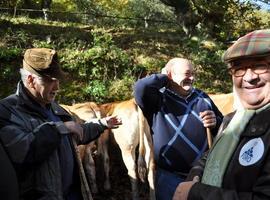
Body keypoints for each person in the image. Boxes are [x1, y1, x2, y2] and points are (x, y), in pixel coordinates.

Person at [0, 48, 122, 200]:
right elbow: (24, 152)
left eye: (57, 81)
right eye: (51, 80)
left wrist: (101, 124)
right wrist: (60, 129)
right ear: (31, 80)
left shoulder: (54, 108)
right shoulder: (7, 111)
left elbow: (76, 133)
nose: (57, 87)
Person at [172, 29, 270, 200]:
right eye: (239, 68)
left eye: (260, 65)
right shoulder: (232, 119)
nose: (249, 77)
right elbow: (210, 156)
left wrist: (196, 193)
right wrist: (196, 175)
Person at [134, 57, 223, 200]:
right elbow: (140, 87)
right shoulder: (157, 99)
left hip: (202, 175)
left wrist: (215, 122)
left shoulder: (202, 97)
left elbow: (224, 127)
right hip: (169, 178)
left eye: (193, 74)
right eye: (187, 74)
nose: (192, 78)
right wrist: (163, 77)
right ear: (170, 74)